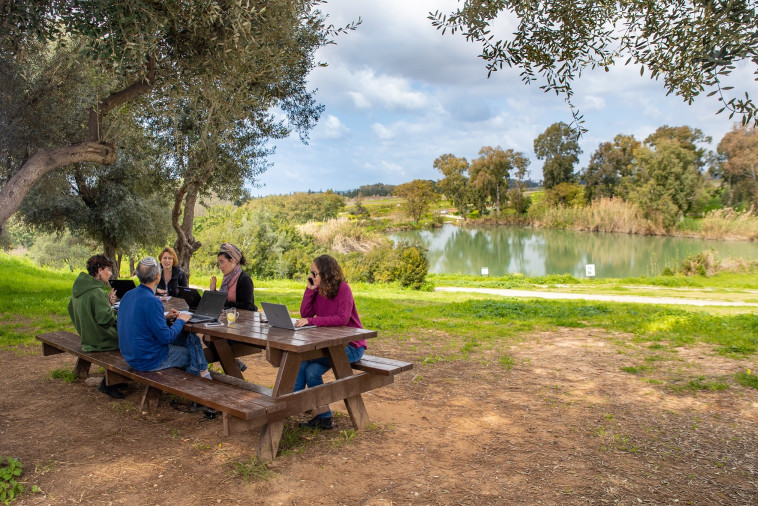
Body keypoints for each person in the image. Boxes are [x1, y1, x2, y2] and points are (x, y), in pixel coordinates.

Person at [294, 254, 366, 430]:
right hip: (329, 344)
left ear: (326, 274)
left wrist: (312, 322)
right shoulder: (317, 290)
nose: (311, 276)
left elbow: (342, 318)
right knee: (311, 372)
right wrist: (309, 291)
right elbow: (306, 313)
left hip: (350, 346)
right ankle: (324, 417)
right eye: (310, 272)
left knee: (303, 360)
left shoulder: (343, 289)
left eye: (314, 273)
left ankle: (291, 401)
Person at [117, 257, 211, 379]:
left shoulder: (128, 295)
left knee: (191, 338)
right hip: (148, 359)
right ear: (158, 276)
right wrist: (180, 320)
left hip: (131, 355)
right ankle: (201, 382)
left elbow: (141, 321)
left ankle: (202, 376)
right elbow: (167, 338)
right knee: (193, 354)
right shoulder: (152, 301)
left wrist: (164, 318)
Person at [68, 254, 124, 398]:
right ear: (99, 270)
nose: (110, 273)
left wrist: (108, 303)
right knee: (131, 339)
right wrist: (113, 310)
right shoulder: (96, 292)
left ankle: (119, 378)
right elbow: (105, 319)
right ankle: (108, 384)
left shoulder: (80, 288)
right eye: (108, 270)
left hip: (87, 336)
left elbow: (76, 309)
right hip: (100, 340)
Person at [210, 243, 257, 311]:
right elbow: (222, 300)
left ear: (232, 261)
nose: (220, 267)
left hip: (245, 319)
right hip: (230, 318)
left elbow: (246, 305)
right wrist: (213, 291)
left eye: (222, 262)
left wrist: (227, 304)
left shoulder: (244, 279)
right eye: (219, 263)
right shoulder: (227, 279)